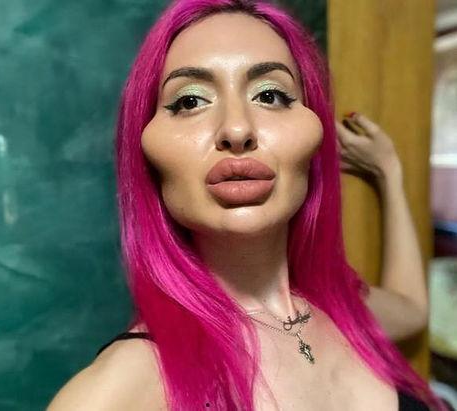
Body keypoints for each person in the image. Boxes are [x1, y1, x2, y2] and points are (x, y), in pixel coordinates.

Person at [47, 0, 446, 409]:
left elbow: (412, 310)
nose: (237, 129)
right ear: (145, 153)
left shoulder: (341, 310)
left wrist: (389, 173)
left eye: (270, 95)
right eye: (190, 101)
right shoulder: (122, 387)